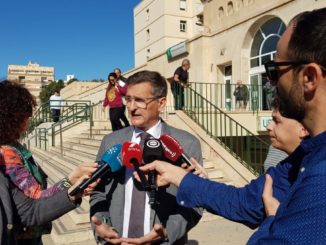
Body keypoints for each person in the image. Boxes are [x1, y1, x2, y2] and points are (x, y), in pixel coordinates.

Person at [139, 8, 326, 243]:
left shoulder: (321, 180)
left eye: (275, 71)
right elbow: (245, 202)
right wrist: (178, 175)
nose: (270, 82)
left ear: (309, 78)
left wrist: (273, 221)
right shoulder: (304, 156)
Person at [90, 70, 203, 245]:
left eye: (140, 100)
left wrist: (167, 231)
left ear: (161, 103)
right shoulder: (111, 141)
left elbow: (195, 202)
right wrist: (102, 225)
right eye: (128, 99)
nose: (131, 107)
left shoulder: (187, 144)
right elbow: (98, 191)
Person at [0, 80, 99, 245]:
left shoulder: (14, 146)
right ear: (13, 117)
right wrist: (73, 183)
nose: (29, 119)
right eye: (26, 115)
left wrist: (73, 177)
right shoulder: (7, 153)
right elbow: (37, 201)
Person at [264, 99, 308, 171]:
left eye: (277, 121)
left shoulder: (317, 166)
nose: (268, 127)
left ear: (303, 129)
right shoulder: (275, 147)